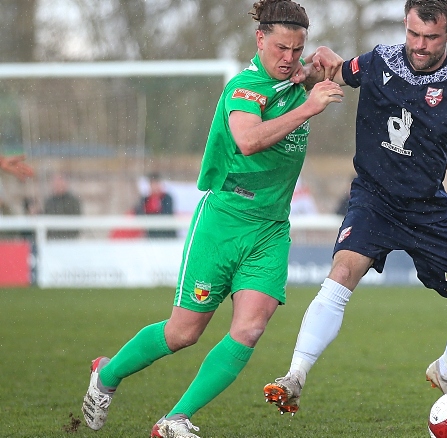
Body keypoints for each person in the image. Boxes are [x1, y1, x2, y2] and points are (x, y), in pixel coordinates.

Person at [81, 1, 344, 437]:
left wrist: (326, 59)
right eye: (281, 48)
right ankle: (107, 375)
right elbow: (247, 139)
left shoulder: (294, 77)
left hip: (271, 228)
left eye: (297, 50)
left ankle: (174, 419)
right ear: (260, 39)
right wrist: (308, 108)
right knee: (183, 333)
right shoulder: (245, 89)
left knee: (252, 327)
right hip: (223, 220)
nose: (288, 58)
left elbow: (318, 69)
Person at [263, 0, 447, 417]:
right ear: (405, 26)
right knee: (342, 271)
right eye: (413, 34)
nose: (420, 45)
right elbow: (338, 71)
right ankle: (295, 376)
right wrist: (319, 68)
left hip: (428, 211)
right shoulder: (380, 61)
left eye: (431, 37)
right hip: (373, 200)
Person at [134, 172, 177, 238]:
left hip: (167, 235)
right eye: (153, 184)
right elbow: (139, 214)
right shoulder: (145, 200)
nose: (155, 187)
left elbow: (167, 214)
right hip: (151, 235)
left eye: (157, 184)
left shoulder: (167, 198)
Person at [43, 173, 82, 239]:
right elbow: (46, 217)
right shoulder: (49, 201)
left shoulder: (73, 201)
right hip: (52, 239)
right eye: (56, 184)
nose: (57, 186)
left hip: (69, 239)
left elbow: (77, 220)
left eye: (60, 183)